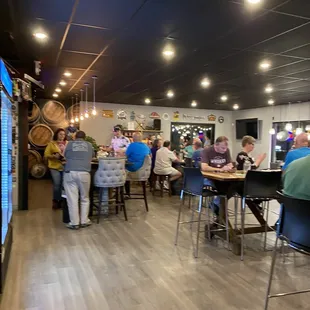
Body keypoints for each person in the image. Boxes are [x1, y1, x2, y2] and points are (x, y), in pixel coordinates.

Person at [63, 131, 94, 230]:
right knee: (85, 197)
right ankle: (84, 220)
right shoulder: (89, 145)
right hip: (85, 173)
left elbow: (65, 155)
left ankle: (74, 223)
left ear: (75, 137)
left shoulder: (70, 144)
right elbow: (92, 156)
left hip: (70, 172)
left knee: (72, 199)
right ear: (84, 138)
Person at [201, 136, 233, 214]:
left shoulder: (227, 151)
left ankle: (216, 205)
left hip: (223, 177)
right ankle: (219, 209)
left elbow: (230, 164)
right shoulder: (207, 151)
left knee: (233, 187)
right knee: (225, 189)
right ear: (216, 145)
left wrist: (229, 167)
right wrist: (220, 169)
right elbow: (204, 167)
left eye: (226, 148)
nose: (225, 150)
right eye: (222, 148)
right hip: (209, 178)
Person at [44, 128, 67, 209]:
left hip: (65, 167)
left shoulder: (67, 143)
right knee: (57, 185)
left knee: (63, 185)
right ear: (57, 134)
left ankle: (62, 201)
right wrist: (54, 156)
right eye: (60, 134)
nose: (62, 136)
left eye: (63, 134)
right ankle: (55, 201)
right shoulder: (52, 143)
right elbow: (46, 154)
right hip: (54, 167)